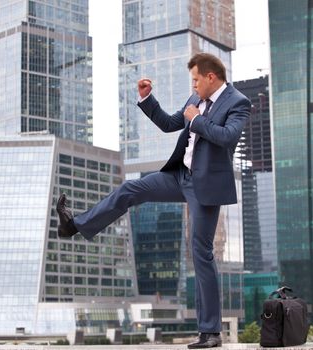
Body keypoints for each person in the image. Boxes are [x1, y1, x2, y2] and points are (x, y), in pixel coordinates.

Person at [57, 52, 250, 349]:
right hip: (179, 176)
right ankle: (75, 225)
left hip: (205, 186)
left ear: (211, 77)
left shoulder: (237, 102)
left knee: (201, 252)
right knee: (130, 190)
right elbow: (170, 123)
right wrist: (148, 100)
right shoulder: (195, 99)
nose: (194, 85)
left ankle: (210, 332)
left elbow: (227, 137)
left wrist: (197, 120)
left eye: (196, 79)